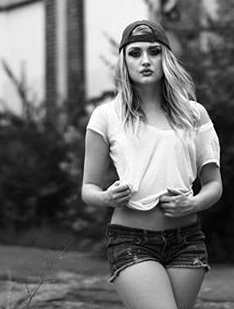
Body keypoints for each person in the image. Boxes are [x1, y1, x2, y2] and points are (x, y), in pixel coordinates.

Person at [82, 19, 222, 309]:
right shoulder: (106, 116)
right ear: (124, 61)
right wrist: (106, 197)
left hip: (186, 241)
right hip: (131, 240)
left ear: (165, 58)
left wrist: (193, 204)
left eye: (154, 52)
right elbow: (88, 189)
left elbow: (214, 184)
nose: (145, 60)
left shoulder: (194, 114)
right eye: (135, 53)